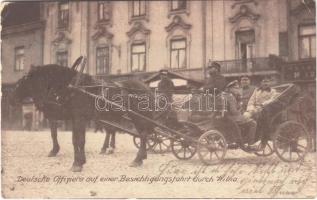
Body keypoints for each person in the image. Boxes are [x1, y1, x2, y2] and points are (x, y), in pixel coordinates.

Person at [225, 80, 258, 150]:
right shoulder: (231, 97)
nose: (237, 90)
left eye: (238, 88)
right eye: (235, 88)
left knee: (247, 118)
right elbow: (234, 111)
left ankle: (242, 139)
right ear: (230, 89)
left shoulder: (227, 95)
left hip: (228, 117)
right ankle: (250, 144)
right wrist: (240, 107)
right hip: (233, 118)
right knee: (253, 123)